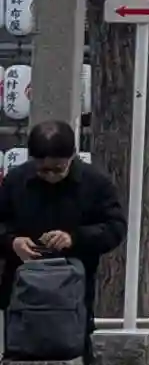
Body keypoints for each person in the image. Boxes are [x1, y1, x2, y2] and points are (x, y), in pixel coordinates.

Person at [0, 120, 126, 340]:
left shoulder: (96, 183)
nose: (50, 176)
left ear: (72, 156)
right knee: (21, 346)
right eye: (43, 170)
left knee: (72, 344)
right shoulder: (16, 181)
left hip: (73, 289)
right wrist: (12, 242)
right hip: (22, 289)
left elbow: (115, 227)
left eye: (58, 169)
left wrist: (74, 238)